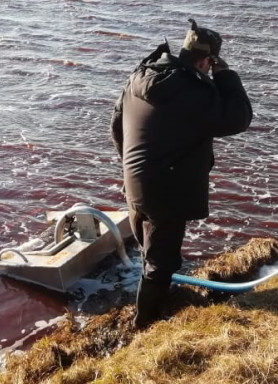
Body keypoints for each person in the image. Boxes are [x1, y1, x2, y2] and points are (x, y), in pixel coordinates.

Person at [110, 19, 253, 328]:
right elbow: (239, 117)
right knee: (161, 263)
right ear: (206, 60)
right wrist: (226, 75)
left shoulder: (141, 75)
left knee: (151, 252)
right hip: (166, 192)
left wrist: (128, 166)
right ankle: (146, 325)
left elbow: (115, 124)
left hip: (135, 182)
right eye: (211, 64)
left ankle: (152, 299)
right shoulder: (193, 92)